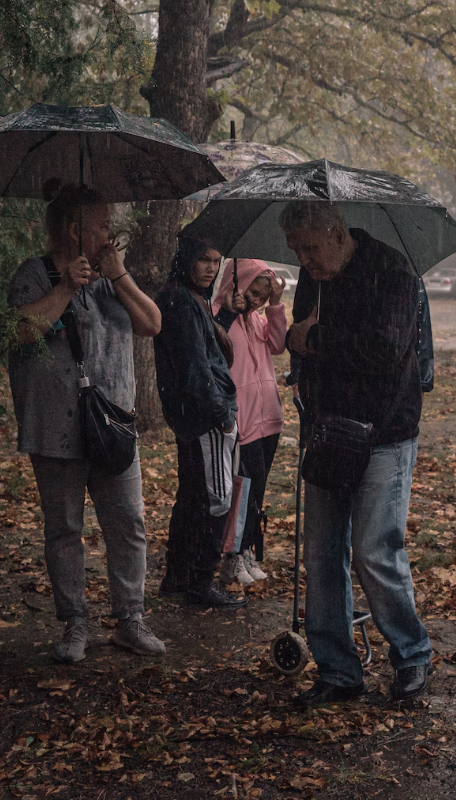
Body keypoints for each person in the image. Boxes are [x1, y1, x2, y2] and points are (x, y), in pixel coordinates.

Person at [283, 202, 433, 707]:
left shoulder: (392, 271)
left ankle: (412, 655)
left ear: (338, 233)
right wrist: (298, 343)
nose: (305, 260)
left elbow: (384, 349)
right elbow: (299, 341)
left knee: (373, 550)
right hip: (327, 428)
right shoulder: (314, 278)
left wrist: (316, 339)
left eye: (311, 247)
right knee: (323, 555)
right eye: (296, 251)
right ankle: (337, 669)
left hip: (386, 431)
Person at [8, 182, 165, 662]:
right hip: (54, 427)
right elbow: (19, 331)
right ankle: (74, 624)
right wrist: (65, 288)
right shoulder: (32, 276)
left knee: (127, 522)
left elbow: (152, 324)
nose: (110, 234)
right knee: (64, 529)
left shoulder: (111, 276)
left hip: (113, 424)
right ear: (74, 230)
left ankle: (130, 619)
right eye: (102, 225)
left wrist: (119, 278)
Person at [153, 237, 246, 610]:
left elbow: (204, 348)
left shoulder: (186, 299)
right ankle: (200, 582)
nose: (210, 268)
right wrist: (222, 417)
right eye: (203, 260)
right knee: (217, 499)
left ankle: (177, 578)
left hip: (194, 416)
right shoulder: (180, 301)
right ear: (187, 260)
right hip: (205, 417)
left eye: (216, 261)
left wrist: (225, 316)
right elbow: (195, 369)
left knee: (192, 497)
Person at [213, 259, 287, 586]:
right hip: (242, 419)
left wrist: (275, 307)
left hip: (267, 416)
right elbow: (216, 351)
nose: (256, 300)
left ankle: (247, 550)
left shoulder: (257, 320)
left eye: (262, 295)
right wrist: (230, 310)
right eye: (254, 292)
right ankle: (232, 554)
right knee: (243, 489)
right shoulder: (219, 317)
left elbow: (278, 344)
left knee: (258, 487)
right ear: (238, 283)